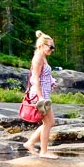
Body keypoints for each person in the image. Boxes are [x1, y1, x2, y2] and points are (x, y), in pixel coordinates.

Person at [22, 30, 60, 159]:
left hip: (44, 93)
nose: (52, 49)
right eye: (50, 47)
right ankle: (43, 151)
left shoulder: (42, 56)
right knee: (48, 123)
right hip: (40, 95)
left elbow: (45, 75)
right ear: (42, 45)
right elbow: (35, 78)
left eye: (53, 47)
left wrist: (52, 82)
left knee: (50, 122)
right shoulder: (38, 57)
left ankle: (30, 143)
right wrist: (40, 97)